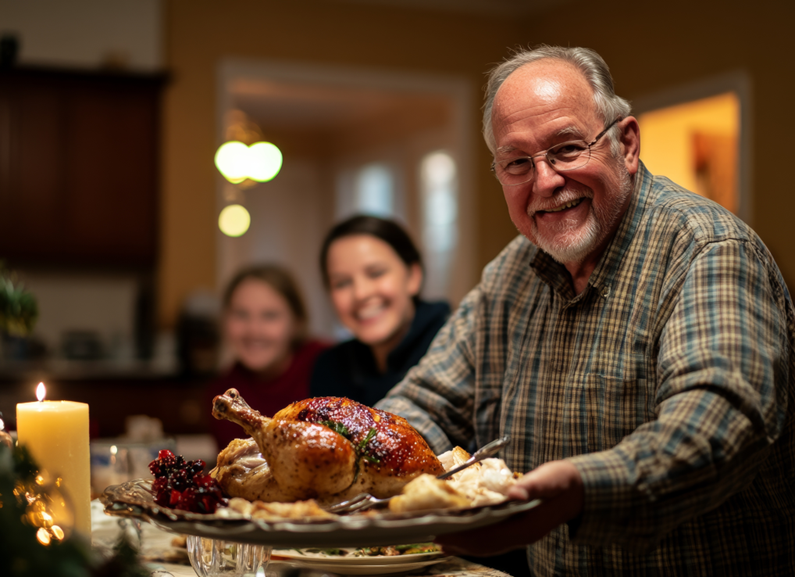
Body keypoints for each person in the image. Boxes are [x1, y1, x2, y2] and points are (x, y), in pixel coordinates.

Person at [376, 45, 795, 576]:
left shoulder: (706, 249)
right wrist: (335, 456)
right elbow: (430, 403)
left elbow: (718, 422)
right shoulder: (513, 272)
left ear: (626, 144)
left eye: (568, 149)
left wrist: (578, 490)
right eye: (517, 163)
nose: (545, 180)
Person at [309, 215, 450, 407]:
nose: (360, 293)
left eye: (376, 273)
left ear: (413, 276)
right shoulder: (330, 369)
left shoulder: (452, 349)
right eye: (341, 283)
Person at [207, 265, 329, 450]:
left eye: (270, 316)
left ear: (296, 321)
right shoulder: (222, 396)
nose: (254, 330)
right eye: (241, 314)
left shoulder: (330, 364)